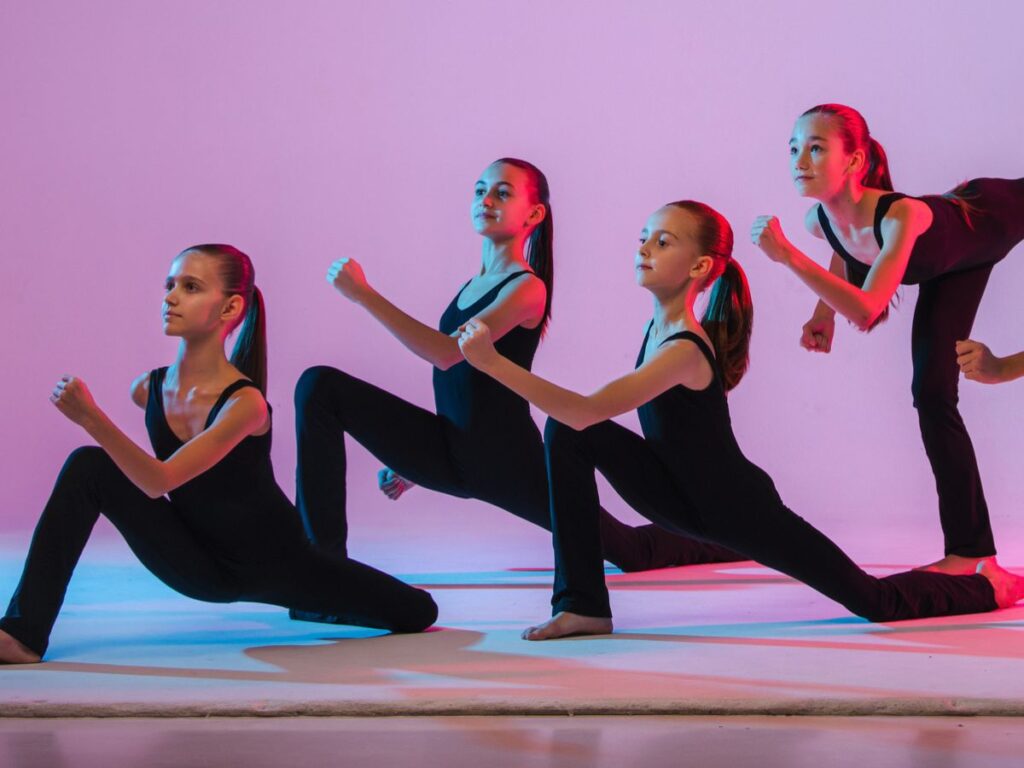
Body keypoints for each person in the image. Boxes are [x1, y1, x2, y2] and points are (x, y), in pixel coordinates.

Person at [456, 200, 1023, 641]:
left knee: (876, 603)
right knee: (568, 434)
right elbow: (578, 420)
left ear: (700, 266)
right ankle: (581, 604)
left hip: (740, 510)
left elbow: (584, 406)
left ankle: (982, 588)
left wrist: (492, 363)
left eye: (664, 240)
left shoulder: (683, 347)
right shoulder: (658, 330)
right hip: (678, 498)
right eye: (644, 237)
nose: (645, 247)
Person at [292, 158, 741, 622]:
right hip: (454, 447)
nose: (486, 200)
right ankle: (325, 580)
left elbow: (450, 355)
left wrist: (364, 295)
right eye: (480, 190)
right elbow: (459, 386)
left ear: (533, 216)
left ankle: (730, 536)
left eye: (502, 193)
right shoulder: (472, 285)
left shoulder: (528, 289)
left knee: (631, 549)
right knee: (319, 387)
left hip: (504, 459)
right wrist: (415, 463)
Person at [0, 244, 437, 663]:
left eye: (190, 287)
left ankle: (321, 601)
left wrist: (92, 418)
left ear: (229, 309)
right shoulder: (147, 389)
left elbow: (160, 480)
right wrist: (92, 426)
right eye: (170, 285)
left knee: (418, 612)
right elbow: (150, 484)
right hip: (199, 566)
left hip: (281, 565)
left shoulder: (244, 403)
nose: (171, 297)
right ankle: (23, 634)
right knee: (87, 466)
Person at [751, 103, 1024, 574]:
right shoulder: (820, 221)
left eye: (816, 148)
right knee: (932, 394)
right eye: (794, 148)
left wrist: (790, 259)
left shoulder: (902, 216)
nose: (799, 161)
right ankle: (972, 553)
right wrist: (823, 313)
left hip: (996, 212)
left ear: (854, 161)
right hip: (958, 262)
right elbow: (844, 247)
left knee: (932, 391)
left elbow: (867, 308)